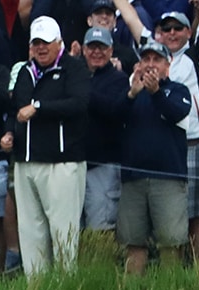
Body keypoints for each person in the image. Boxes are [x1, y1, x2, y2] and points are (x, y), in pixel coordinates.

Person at [1, 16, 90, 276]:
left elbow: (79, 103)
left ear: (59, 42)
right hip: (26, 162)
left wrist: (39, 108)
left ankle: (66, 289)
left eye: (46, 42)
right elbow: (14, 110)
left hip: (61, 164)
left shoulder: (73, 68)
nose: (41, 48)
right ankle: (37, 289)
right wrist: (9, 133)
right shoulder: (24, 72)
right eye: (36, 43)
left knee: (64, 233)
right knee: (30, 232)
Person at [116, 40, 191, 273]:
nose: (150, 64)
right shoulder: (130, 92)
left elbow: (177, 112)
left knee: (171, 243)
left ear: (167, 65)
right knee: (133, 243)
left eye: (157, 60)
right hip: (133, 179)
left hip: (168, 178)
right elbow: (114, 117)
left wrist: (156, 93)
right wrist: (131, 94)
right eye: (146, 59)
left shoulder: (178, 90)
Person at [80, 26, 126, 233]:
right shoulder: (76, 76)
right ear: (84, 49)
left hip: (104, 166)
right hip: (75, 164)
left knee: (101, 229)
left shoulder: (119, 79)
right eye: (92, 47)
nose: (96, 52)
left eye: (102, 47)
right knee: (72, 229)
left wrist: (83, 91)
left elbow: (114, 110)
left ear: (111, 50)